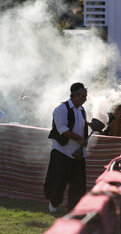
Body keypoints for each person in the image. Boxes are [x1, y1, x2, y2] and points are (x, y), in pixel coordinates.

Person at [44, 82, 89, 212]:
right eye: (83, 96)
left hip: (77, 153)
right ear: (75, 96)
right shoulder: (61, 109)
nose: (85, 99)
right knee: (58, 181)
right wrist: (79, 139)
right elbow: (63, 130)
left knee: (78, 184)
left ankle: (75, 209)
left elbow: (81, 128)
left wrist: (83, 141)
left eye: (85, 96)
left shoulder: (82, 110)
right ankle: (54, 204)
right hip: (62, 151)